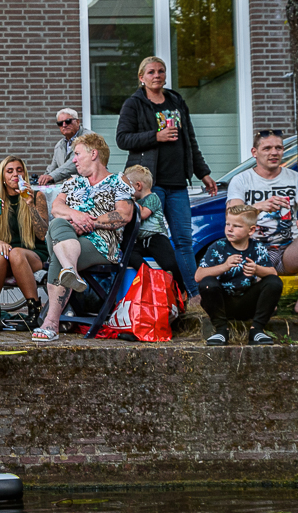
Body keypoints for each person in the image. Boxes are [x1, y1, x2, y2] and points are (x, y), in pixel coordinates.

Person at [116, 56, 219, 301]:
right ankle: (154, 295)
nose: (157, 75)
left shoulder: (175, 100)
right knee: (151, 239)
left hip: (177, 184)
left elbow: (190, 140)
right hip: (148, 186)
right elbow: (123, 139)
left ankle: (195, 297)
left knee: (184, 240)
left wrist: (202, 172)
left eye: (161, 71)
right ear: (141, 78)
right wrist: (156, 136)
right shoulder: (134, 104)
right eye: (151, 72)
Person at [226, 130, 298, 325]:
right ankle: (262, 300)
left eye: (278, 148)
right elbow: (232, 213)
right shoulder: (242, 180)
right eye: (267, 148)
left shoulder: (295, 178)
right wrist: (258, 207)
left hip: (288, 252)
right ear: (255, 152)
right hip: (253, 252)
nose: (274, 152)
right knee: (268, 308)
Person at [32, 133, 135, 342]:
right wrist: (76, 216)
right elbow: (57, 207)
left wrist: (91, 223)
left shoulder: (118, 180)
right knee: (57, 223)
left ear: (94, 153)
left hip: (102, 244)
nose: (74, 160)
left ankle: (51, 322)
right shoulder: (72, 182)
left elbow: (124, 214)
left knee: (58, 248)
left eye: (77, 154)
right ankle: (70, 271)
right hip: (68, 237)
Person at [195, 205, 282, 346]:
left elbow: (273, 273)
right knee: (207, 283)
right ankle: (221, 330)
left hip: (248, 302)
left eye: (236, 226)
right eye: (227, 224)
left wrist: (256, 269)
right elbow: (198, 276)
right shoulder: (218, 246)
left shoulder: (257, 248)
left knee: (274, 282)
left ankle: (257, 330)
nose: (229, 229)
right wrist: (224, 266)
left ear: (251, 230)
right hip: (223, 302)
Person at [0, 156, 49, 329]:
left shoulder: (36, 196)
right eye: (10, 171)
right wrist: (1, 244)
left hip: (35, 254)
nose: (15, 174)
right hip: (7, 256)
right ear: (3, 178)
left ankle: (34, 311)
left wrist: (29, 204)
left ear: (24, 174)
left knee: (16, 252)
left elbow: (43, 234)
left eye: (19, 170)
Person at [121, 165, 184, 292]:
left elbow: (143, 214)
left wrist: (129, 201)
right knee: (129, 253)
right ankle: (148, 274)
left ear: (138, 186)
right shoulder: (137, 201)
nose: (126, 191)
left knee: (169, 263)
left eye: (128, 187)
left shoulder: (152, 198)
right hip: (141, 241)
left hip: (156, 237)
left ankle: (180, 290)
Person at [38, 108, 83, 186]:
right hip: (68, 191)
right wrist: (42, 179)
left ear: (77, 122)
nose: (64, 125)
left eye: (68, 121)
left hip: (89, 190)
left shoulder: (88, 138)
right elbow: (52, 168)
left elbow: (73, 164)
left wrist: (52, 176)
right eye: (60, 123)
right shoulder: (59, 145)